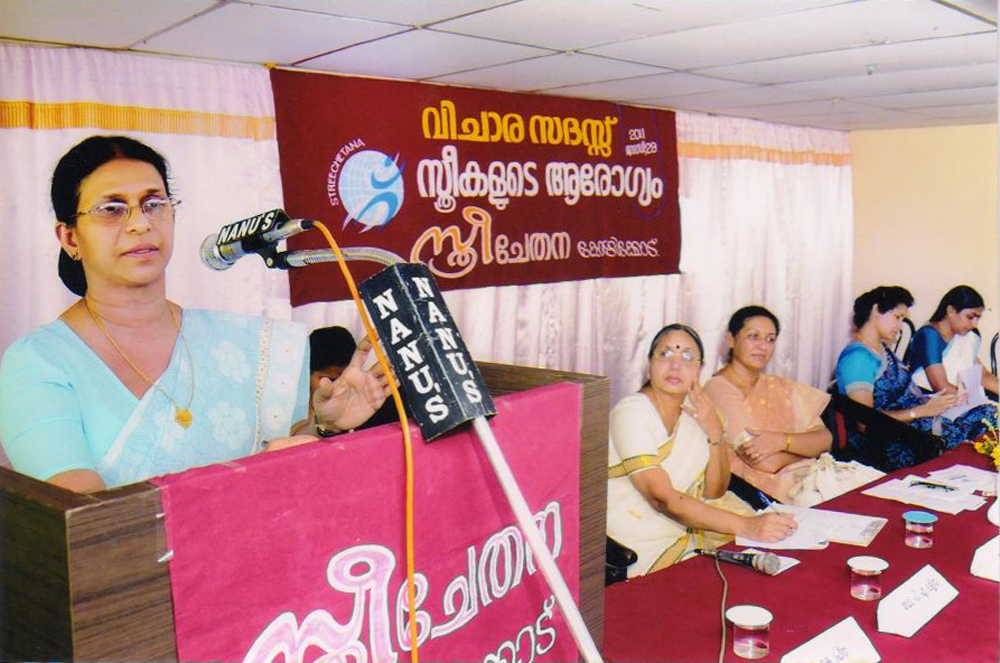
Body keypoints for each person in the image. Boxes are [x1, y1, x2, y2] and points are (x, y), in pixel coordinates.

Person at [0, 135, 389, 493]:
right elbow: (87, 523)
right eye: (112, 209)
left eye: (154, 204)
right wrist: (245, 479)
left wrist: (325, 426)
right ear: (70, 237)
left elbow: (289, 470)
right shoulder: (37, 363)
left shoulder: (238, 344)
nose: (140, 223)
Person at [606, 323, 797, 577]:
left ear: (699, 368)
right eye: (665, 354)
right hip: (630, 543)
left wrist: (715, 433)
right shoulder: (631, 412)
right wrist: (747, 526)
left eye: (687, 356)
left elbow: (713, 491)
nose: (675, 365)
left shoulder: (698, 412)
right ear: (650, 362)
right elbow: (660, 498)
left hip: (681, 534)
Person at [705, 306, 882, 506]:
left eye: (770, 339)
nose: (762, 346)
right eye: (753, 336)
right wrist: (806, 449)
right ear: (731, 339)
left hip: (813, 479)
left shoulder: (780, 386)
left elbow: (825, 439)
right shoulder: (718, 388)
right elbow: (765, 463)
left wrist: (782, 441)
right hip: (765, 494)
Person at [835, 285, 996, 472]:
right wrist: (920, 411)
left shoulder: (880, 350)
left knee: (989, 415)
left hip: (915, 425)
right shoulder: (858, 358)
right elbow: (865, 423)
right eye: (897, 317)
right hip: (892, 440)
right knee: (984, 425)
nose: (900, 326)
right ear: (875, 310)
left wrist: (934, 403)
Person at [906, 285, 999, 397]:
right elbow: (941, 387)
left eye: (978, 318)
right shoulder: (929, 336)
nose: (975, 324)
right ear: (951, 311)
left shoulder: (969, 337)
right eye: (970, 317)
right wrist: (971, 400)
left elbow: (983, 376)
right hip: (927, 400)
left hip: (959, 398)